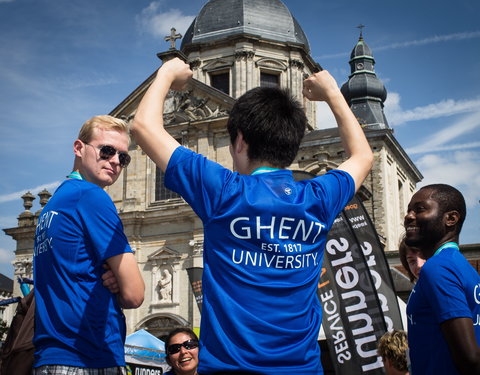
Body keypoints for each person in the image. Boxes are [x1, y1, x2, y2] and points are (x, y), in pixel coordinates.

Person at [132, 57, 373, 374]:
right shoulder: (318, 198)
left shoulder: (223, 191)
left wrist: (166, 73)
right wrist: (331, 92)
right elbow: (363, 155)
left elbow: (143, 126)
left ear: (240, 140)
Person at [33, 115, 145, 374]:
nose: (115, 161)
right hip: (89, 355)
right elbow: (135, 294)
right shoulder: (92, 196)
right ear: (79, 148)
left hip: (50, 356)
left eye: (123, 157)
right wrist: (120, 281)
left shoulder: (53, 206)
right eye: (106, 151)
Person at [404, 184, 480, 375]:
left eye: (420, 209)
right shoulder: (462, 267)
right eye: (409, 210)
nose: (409, 216)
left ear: (451, 218)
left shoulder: (438, 268)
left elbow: (470, 358)